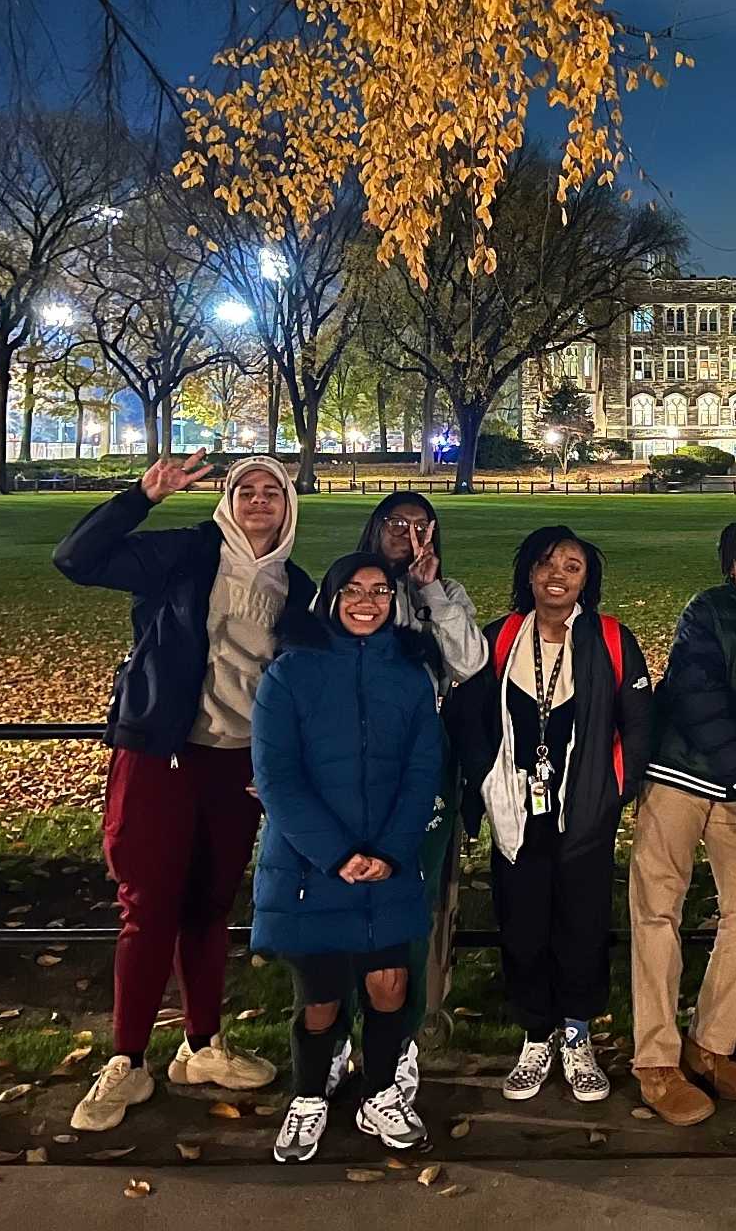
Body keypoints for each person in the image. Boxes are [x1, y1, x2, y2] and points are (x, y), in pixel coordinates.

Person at [52, 450, 312, 1132]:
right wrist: (142, 496)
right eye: (246, 489)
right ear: (228, 500)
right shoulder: (188, 552)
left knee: (208, 907)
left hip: (236, 765)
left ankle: (201, 1045)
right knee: (147, 907)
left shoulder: (297, 585)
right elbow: (75, 560)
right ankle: (127, 1060)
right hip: (162, 752)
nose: (259, 501)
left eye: (272, 491)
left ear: (289, 506)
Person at [444, 526, 653, 1107]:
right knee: (523, 923)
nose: (557, 576)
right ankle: (537, 1032)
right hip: (516, 809)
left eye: (572, 566)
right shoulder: (500, 638)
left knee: (583, 924)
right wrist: (486, 783)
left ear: (588, 579)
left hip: (585, 808)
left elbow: (638, 724)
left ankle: (577, 1033)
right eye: (546, 564)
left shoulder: (610, 639)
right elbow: (469, 717)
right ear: (528, 574)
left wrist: (616, 788)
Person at [251, 553, 444, 1161]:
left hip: (388, 857)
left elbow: (423, 770)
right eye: (354, 591)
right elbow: (277, 777)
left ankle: (380, 1091)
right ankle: (309, 1095)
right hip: (313, 865)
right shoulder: (290, 673)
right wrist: (336, 855)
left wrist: (389, 850)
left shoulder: (411, 675)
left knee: (389, 983)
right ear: (331, 599)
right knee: (321, 996)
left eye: (381, 592)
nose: (367, 602)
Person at [630, 517, 736, 1126]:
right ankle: (655, 1059)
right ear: (727, 566)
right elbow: (698, 696)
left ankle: (710, 1043)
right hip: (680, 773)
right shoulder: (706, 611)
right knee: (657, 911)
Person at [320, 493, 488, 1105]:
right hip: (346, 763)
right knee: (337, 895)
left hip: (420, 761)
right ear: (376, 527)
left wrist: (432, 589)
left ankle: (400, 1040)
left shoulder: (442, 592)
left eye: (421, 525)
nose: (409, 535)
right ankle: (332, 1036)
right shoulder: (340, 586)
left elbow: (470, 663)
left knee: (410, 901)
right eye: (397, 523)